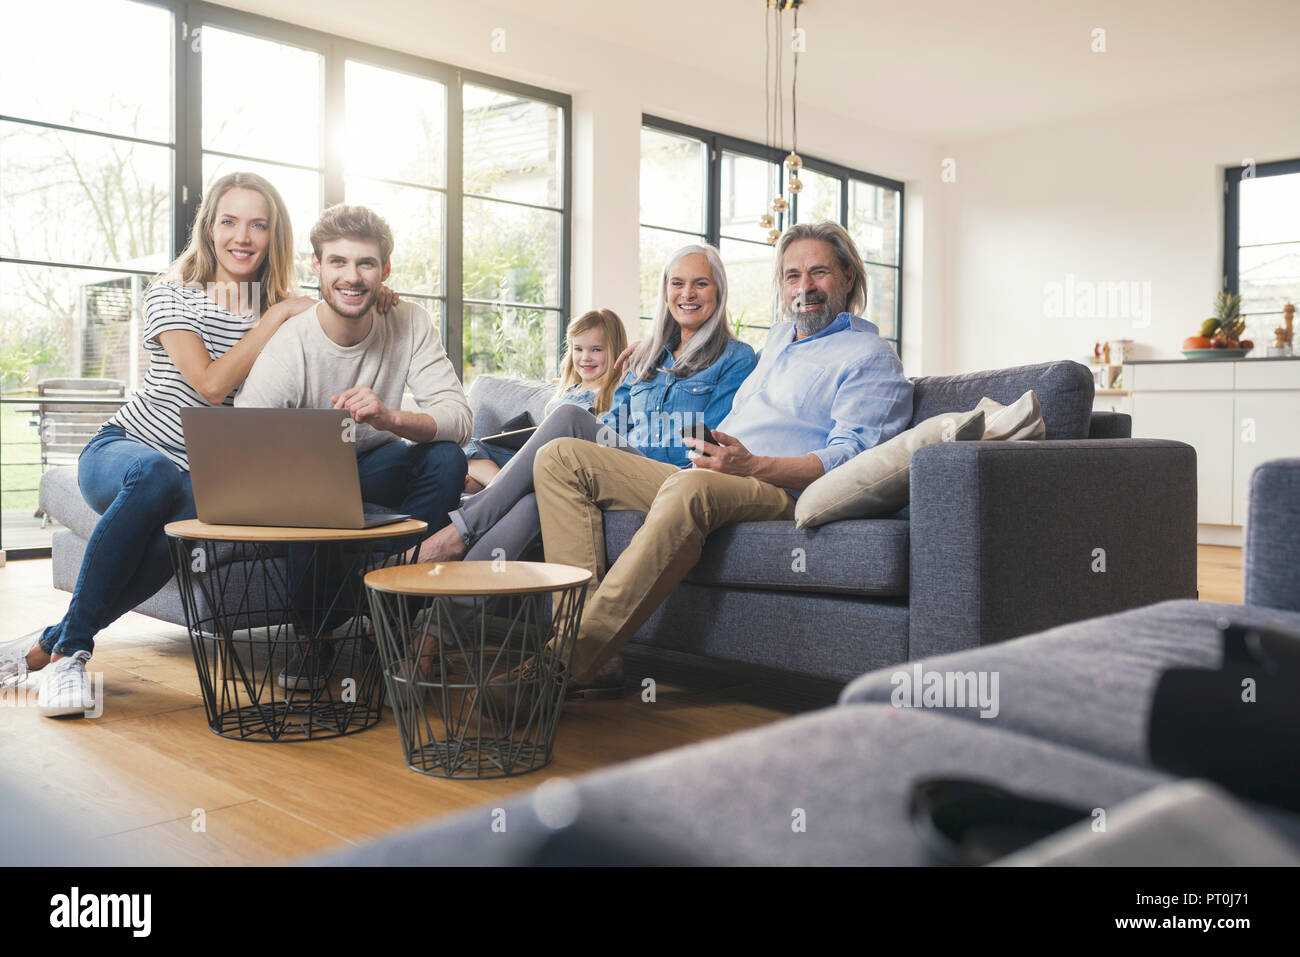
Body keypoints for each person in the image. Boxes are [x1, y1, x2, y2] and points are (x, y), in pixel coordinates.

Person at [528, 221, 915, 695]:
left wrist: (751, 465)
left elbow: (851, 458)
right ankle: (596, 659)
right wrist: (653, 354)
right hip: (712, 471)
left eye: (819, 273)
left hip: (778, 488)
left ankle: (562, 662)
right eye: (792, 276)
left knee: (690, 486)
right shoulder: (778, 340)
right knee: (561, 457)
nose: (804, 287)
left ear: (849, 277)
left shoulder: (870, 355)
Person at [0, 172, 325, 717]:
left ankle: (50, 648)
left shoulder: (288, 311)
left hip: (202, 482)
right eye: (229, 222)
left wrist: (376, 294)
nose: (241, 237)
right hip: (125, 451)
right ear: (209, 228)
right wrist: (276, 316)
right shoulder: (173, 294)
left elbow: (350, 314)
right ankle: (71, 654)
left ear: (275, 235)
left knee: (173, 540)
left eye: (257, 225)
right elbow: (211, 383)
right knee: (157, 476)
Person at [234, 203, 471, 688]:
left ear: (384, 271)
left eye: (365, 264)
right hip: (304, 481)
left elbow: (459, 419)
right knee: (308, 495)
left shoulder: (409, 321)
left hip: (375, 464)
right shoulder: (291, 343)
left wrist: (391, 416)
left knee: (446, 459)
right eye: (338, 262)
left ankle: (393, 613)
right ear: (316, 268)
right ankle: (314, 640)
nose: (352, 277)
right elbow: (245, 436)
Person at [416, 244, 756, 575]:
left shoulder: (735, 358)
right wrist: (598, 449)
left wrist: (624, 448)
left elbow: (706, 441)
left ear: (719, 290)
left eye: (701, 283)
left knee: (567, 417)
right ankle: (440, 624)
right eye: (677, 283)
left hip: (672, 475)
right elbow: (613, 419)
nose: (688, 294)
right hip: (617, 465)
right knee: (536, 500)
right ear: (665, 292)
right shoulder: (645, 357)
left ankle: (457, 532)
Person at [463, 309, 627, 492]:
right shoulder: (569, 389)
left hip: (556, 464)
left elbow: (604, 447)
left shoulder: (617, 394)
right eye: (578, 349)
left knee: (467, 473)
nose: (585, 358)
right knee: (465, 442)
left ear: (615, 351)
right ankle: (498, 485)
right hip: (529, 457)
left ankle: (497, 488)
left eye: (596, 350)